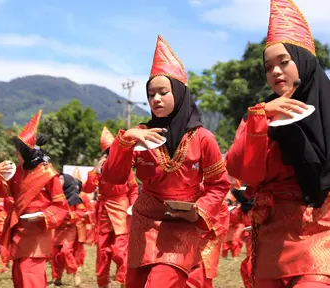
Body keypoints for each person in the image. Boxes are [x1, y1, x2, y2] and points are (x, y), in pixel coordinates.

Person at [101, 35, 230, 288]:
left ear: (180, 94)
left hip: (182, 223)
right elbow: (113, 177)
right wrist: (126, 141)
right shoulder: (140, 135)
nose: (155, 99)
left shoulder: (203, 138)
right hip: (145, 223)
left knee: (162, 281)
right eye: (151, 95)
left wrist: (199, 211)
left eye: (163, 92)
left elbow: (219, 185)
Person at [225, 0, 330, 287]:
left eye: (284, 62)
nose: (275, 72)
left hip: (321, 233)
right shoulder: (259, 115)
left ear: (304, 61)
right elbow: (245, 172)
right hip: (271, 235)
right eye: (268, 66)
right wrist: (259, 120)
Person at [0, 110, 69, 288]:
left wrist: (44, 216)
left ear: (29, 152)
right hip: (19, 230)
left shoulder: (48, 174)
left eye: (19, 150)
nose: (16, 153)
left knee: (29, 273)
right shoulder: (18, 172)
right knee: (18, 275)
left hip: (38, 231)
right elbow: (1, 191)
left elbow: (61, 206)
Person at [83, 126, 139, 288]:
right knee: (102, 253)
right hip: (104, 214)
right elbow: (88, 189)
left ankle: (123, 282)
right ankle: (103, 284)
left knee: (121, 252)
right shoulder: (99, 169)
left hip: (122, 212)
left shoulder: (125, 168)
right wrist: (95, 170)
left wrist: (133, 206)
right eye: (107, 153)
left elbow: (134, 189)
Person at [51, 172, 83, 287]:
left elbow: (81, 212)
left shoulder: (75, 198)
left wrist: (70, 215)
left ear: (68, 182)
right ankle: (57, 278)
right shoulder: (55, 196)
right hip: (58, 228)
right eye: (58, 178)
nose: (59, 180)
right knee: (55, 254)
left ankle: (75, 273)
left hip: (69, 228)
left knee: (66, 251)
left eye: (61, 178)